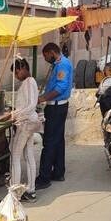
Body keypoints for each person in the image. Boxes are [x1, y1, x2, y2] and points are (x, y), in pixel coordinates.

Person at [0, 58, 41, 202]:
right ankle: (31, 190)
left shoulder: (29, 82)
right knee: (29, 155)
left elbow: (30, 105)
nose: (16, 76)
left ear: (22, 68)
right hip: (28, 122)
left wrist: (13, 115)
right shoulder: (29, 82)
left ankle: (14, 193)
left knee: (15, 155)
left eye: (16, 73)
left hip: (26, 123)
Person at [36, 43, 73, 190]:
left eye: (46, 56)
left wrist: (43, 98)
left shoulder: (63, 64)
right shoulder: (58, 64)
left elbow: (60, 87)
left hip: (56, 106)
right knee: (58, 140)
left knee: (49, 142)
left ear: (52, 52)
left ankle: (44, 178)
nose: (46, 59)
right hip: (56, 105)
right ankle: (58, 171)